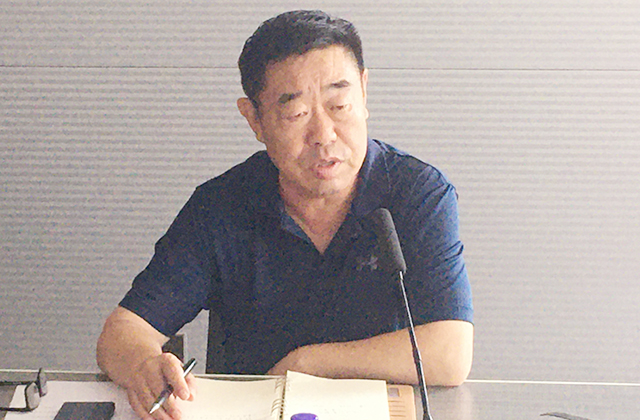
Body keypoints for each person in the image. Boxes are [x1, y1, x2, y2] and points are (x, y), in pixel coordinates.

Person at [97, 9, 473, 420]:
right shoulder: (221, 206)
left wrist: (309, 363)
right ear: (254, 119)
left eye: (340, 104)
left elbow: (450, 354)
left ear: (364, 93)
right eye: (296, 114)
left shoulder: (418, 194)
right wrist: (144, 366)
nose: (324, 134)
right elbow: (122, 332)